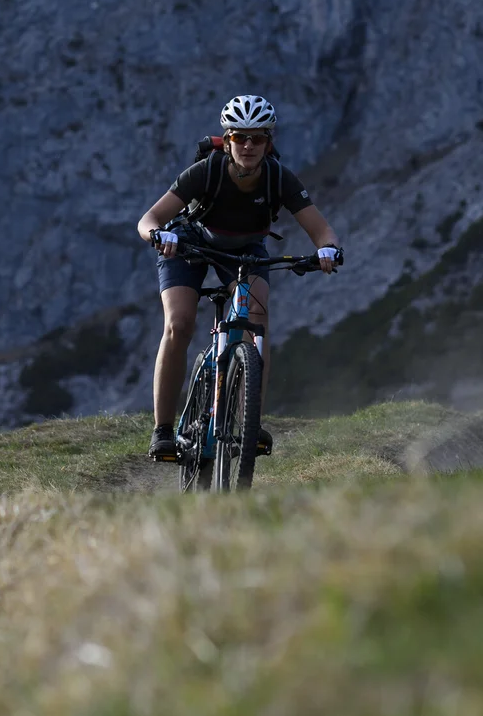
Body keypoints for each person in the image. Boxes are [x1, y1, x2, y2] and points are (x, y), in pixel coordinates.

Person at [135, 95, 342, 462]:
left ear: (269, 142)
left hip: (246, 251)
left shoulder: (278, 177)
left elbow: (322, 230)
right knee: (179, 325)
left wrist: (328, 250)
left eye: (258, 138)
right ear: (227, 140)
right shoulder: (206, 171)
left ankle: (250, 424)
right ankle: (163, 430)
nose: (248, 145)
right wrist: (158, 236)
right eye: (240, 137)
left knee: (257, 324)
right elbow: (148, 219)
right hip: (189, 246)